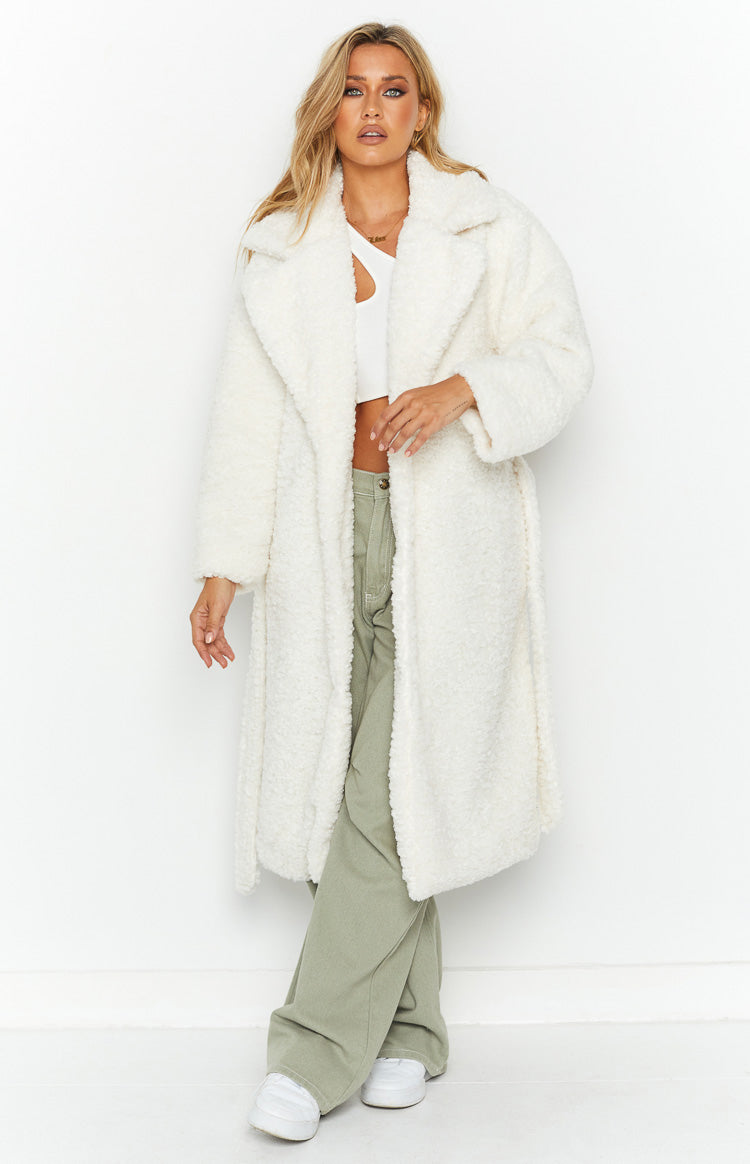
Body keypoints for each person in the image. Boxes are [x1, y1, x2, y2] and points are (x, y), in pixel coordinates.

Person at [189, 20, 593, 1144]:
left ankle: (312, 1050)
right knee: (353, 788)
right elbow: (248, 417)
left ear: (423, 112)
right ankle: (412, 1031)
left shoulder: (484, 227)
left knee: (382, 790)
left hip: (448, 539)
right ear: (331, 110)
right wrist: (225, 565)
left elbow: (562, 359)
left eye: (395, 91)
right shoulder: (283, 248)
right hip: (324, 538)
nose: (373, 109)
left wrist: (467, 389)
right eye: (355, 91)